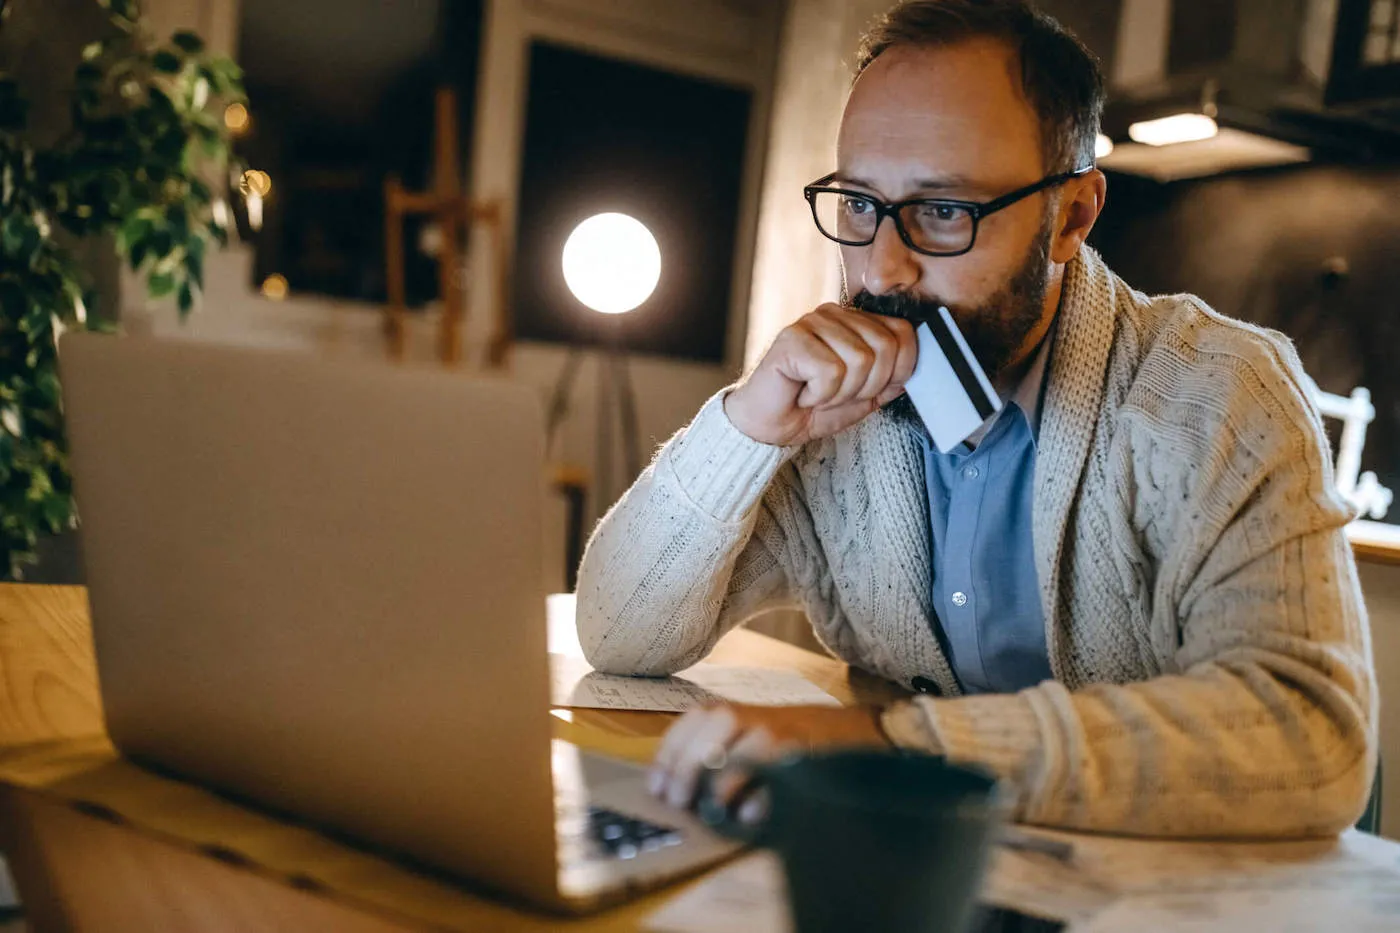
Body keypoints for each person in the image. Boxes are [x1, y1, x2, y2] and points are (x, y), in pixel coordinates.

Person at [575, 0, 1377, 837]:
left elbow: (1312, 736)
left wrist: (894, 745)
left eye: (945, 211)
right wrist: (743, 429)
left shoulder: (1218, 395)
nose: (880, 265)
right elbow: (617, 632)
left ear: (1072, 215)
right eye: (858, 204)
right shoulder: (832, 409)